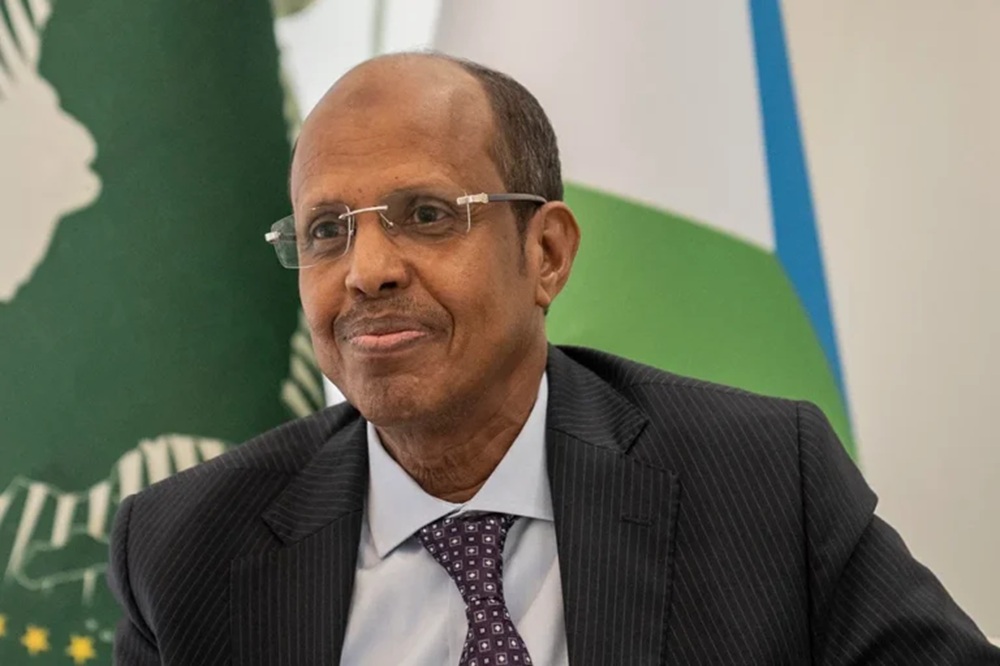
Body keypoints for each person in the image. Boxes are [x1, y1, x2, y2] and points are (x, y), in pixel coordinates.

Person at [108, 52, 1000, 665]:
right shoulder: (186, 550)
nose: (366, 271)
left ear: (547, 254)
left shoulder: (763, 480)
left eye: (427, 215)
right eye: (326, 232)